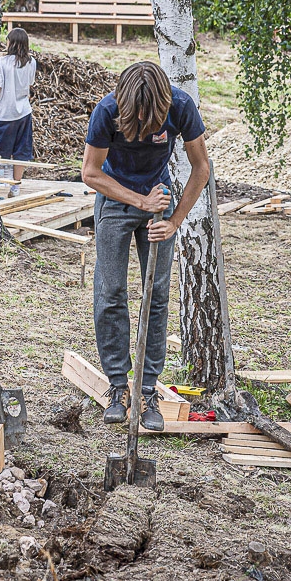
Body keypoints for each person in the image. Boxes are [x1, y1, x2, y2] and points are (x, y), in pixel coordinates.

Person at [81, 62, 209, 432]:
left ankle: (148, 389)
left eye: (148, 117)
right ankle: (118, 386)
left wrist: (174, 221)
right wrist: (140, 201)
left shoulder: (180, 106)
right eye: (134, 116)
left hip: (160, 201)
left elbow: (201, 168)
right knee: (110, 292)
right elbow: (90, 173)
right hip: (115, 199)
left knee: (156, 295)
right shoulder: (106, 111)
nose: (140, 121)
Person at [0, 28, 37, 197]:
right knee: (21, 151)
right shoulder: (31, 62)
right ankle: (16, 186)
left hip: (4, 111)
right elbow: (30, 84)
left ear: (10, 43)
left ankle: (0, 184)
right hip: (24, 111)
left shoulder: (2, 62)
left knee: (0, 151)